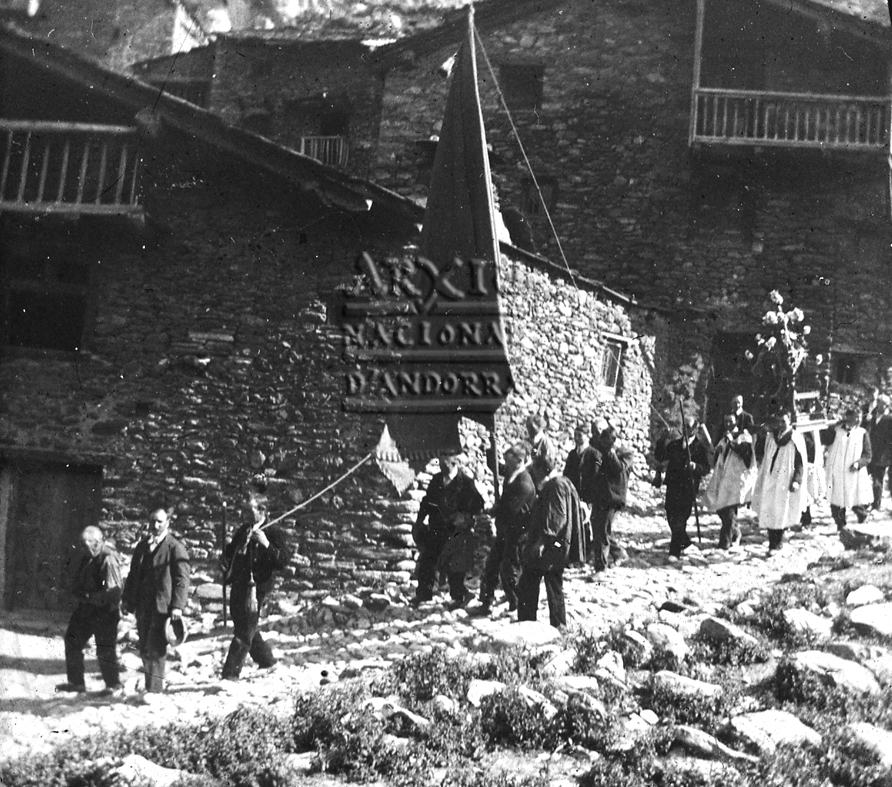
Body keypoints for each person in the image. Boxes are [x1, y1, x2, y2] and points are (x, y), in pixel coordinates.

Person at [220, 488, 293, 681]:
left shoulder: (273, 531)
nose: (244, 514)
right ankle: (267, 660)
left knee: (244, 630)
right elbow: (231, 552)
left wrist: (266, 544)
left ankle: (230, 673)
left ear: (262, 511)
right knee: (244, 624)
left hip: (256, 588)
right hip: (239, 584)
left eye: (249, 510)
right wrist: (225, 560)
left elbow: (283, 561)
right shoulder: (244, 530)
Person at [517, 441, 586, 628]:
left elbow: (557, 518)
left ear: (541, 470)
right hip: (558, 545)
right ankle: (558, 625)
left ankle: (527, 624)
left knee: (530, 582)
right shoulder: (564, 482)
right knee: (553, 586)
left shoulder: (555, 486)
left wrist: (541, 542)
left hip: (550, 546)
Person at [121, 507, 190, 694]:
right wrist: (127, 600)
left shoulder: (174, 547)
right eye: (152, 521)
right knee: (144, 647)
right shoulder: (143, 546)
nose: (155, 525)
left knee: (156, 648)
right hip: (143, 605)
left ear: (168, 522)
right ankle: (150, 686)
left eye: (160, 521)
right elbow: (133, 575)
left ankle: (155, 691)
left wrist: (177, 606)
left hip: (163, 607)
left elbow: (182, 579)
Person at [56, 526, 124, 696]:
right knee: (72, 640)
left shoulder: (108, 559)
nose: (82, 548)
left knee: (105, 648)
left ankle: (113, 684)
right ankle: (76, 683)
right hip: (87, 609)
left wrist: (91, 597)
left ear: (97, 543)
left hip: (105, 612)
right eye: (81, 545)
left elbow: (114, 592)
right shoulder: (88, 557)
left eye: (86, 545)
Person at [413, 452, 484, 609]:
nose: (441, 465)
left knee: (455, 566)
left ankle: (460, 597)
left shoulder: (465, 482)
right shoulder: (436, 480)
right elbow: (427, 502)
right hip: (436, 528)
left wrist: (464, 516)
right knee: (427, 560)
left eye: (445, 462)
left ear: (454, 462)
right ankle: (423, 594)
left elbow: (479, 504)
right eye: (440, 462)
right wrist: (420, 519)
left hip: (455, 531)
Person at [474, 442, 536, 615]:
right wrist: (490, 445)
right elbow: (495, 466)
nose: (505, 463)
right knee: (492, 566)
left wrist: (494, 510)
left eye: (508, 460)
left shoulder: (524, 483)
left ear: (519, 460)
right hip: (506, 530)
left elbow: (510, 509)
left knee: (509, 570)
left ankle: (518, 605)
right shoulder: (512, 473)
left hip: (517, 533)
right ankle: (486, 602)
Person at [655, 415, 711, 560]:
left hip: (688, 488)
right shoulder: (674, 444)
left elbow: (706, 468)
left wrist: (695, 466)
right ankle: (685, 542)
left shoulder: (700, 447)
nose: (686, 429)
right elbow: (660, 456)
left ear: (695, 429)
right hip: (673, 486)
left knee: (680, 519)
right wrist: (662, 439)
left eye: (689, 427)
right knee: (671, 516)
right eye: (684, 426)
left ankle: (674, 552)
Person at [752, 411, 807, 552]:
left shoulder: (795, 439)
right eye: (778, 421)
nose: (780, 424)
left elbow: (800, 463)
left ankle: (776, 543)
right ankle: (773, 541)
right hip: (771, 478)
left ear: (790, 421)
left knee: (781, 510)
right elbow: (763, 454)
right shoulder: (772, 437)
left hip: (785, 479)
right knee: (769, 508)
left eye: (784, 421)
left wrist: (797, 480)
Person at [705, 415, 756, 549]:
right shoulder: (724, 438)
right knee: (721, 509)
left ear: (736, 422)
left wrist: (732, 442)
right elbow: (718, 457)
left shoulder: (744, 436)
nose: (728, 424)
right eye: (726, 421)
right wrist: (717, 452)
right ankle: (735, 532)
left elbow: (746, 456)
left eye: (730, 421)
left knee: (728, 510)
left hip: (736, 479)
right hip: (723, 478)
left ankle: (724, 542)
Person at [589, 425, 634, 572]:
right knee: (598, 527)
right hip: (600, 496)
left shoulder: (626, 453)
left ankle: (600, 568)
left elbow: (619, 468)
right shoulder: (600, 450)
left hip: (614, 498)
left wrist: (611, 451)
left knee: (603, 530)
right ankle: (618, 553)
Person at [825, 407, 873, 529]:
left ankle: (862, 516)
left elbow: (867, 455)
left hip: (853, 472)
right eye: (856, 416)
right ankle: (841, 525)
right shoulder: (837, 430)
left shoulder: (862, 433)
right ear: (848, 417)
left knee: (854, 498)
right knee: (837, 500)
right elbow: (825, 440)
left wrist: (858, 464)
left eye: (859, 417)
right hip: (837, 471)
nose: (858, 419)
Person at [865, 395, 892, 511]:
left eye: (882, 404)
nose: (879, 406)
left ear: (886, 405)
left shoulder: (889, 419)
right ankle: (866, 501)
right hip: (871, 453)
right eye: (879, 403)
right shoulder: (873, 417)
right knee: (864, 477)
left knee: (877, 480)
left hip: (882, 455)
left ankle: (876, 505)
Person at [526, 414, 556, 491]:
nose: (529, 430)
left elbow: (549, 466)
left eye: (532, 428)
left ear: (539, 427)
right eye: (528, 427)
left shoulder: (546, 444)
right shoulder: (527, 441)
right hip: (529, 481)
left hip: (541, 483)